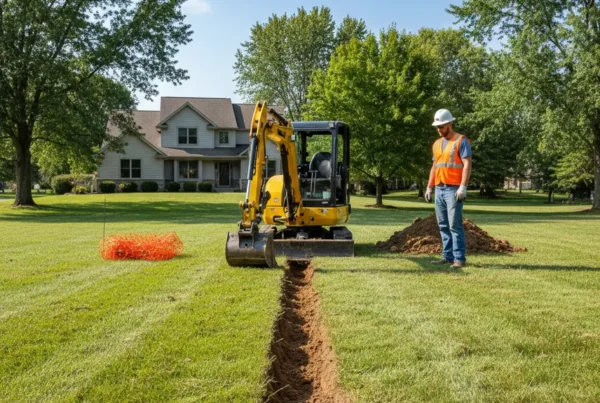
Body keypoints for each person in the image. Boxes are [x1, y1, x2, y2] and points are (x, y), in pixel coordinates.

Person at [424, 109, 472, 268]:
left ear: (450, 124)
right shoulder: (437, 144)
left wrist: (463, 187)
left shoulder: (461, 141)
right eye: (437, 127)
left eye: (442, 126)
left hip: (453, 190)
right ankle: (447, 256)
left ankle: (459, 259)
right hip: (439, 189)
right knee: (443, 225)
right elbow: (434, 167)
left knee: (454, 225)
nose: (439, 130)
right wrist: (429, 187)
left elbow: (467, 164)